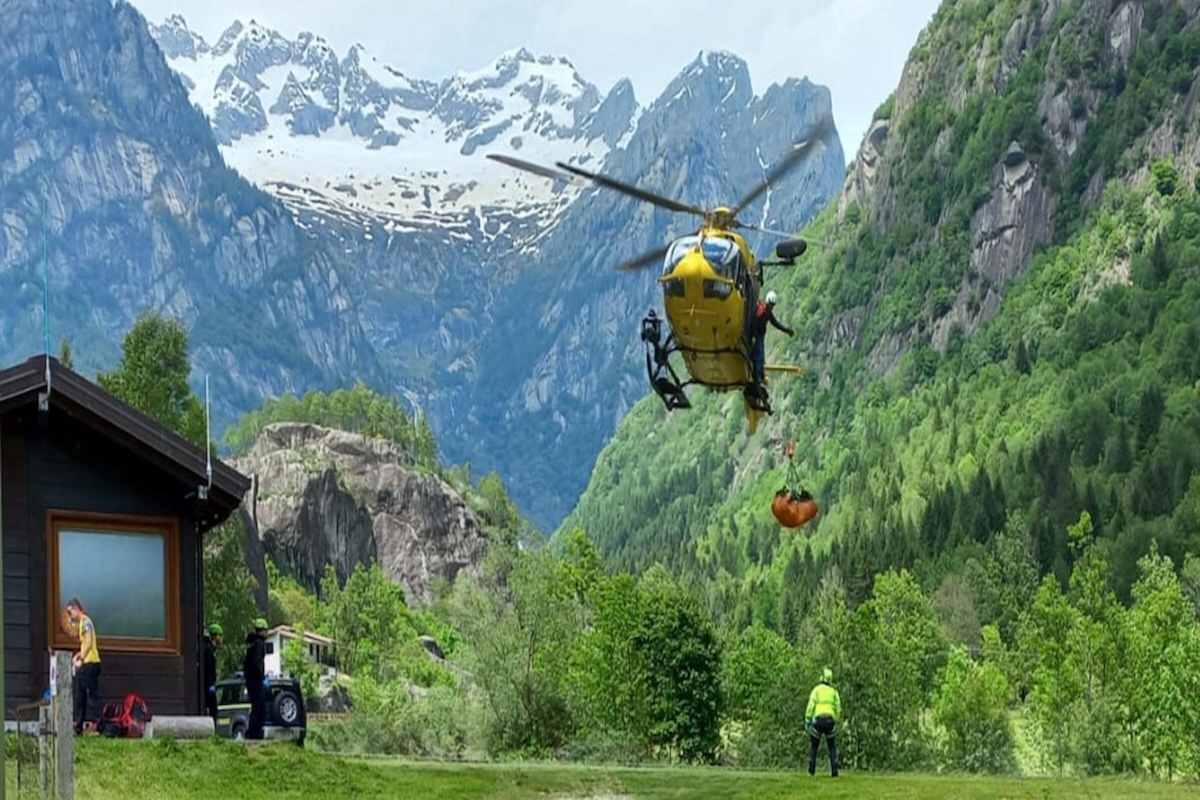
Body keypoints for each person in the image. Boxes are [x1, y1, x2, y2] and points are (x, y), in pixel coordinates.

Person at [65, 598, 102, 735]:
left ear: (76, 609)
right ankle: (78, 725)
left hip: (91, 663)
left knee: (92, 696)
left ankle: (99, 724)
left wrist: (81, 657)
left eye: (71, 613)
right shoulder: (82, 623)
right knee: (80, 695)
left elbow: (89, 642)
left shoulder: (85, 622)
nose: (71, 617)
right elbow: (84, 644)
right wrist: (78, 655)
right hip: (86, 663)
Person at [748, 290, 794, 387]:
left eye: (773, 305)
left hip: (759, 336)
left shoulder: (767, 312)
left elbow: (775, 323)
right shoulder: (762, 310)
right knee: (758, 356)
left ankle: (759, 376)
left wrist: (787, 330)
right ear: (768, 302)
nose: (772, 307)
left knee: (760, 357)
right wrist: (753, 336)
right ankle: (758, 377)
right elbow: (753, 322)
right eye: (771, 304)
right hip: (757, 336)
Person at [806, 666, 841, 777]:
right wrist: (836, 719)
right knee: (832, 747)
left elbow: (811, 705)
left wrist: (807, 719)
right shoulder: (834, 692)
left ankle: (811, 771)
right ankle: (834, 771)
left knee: (814, 746)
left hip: (818, 720)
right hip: (830, 720)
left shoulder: (816, 690)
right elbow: (838, 707)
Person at [242, 617, 269, 740]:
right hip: (256, 681)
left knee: (257, 707)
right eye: (266, 630)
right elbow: (258, 662)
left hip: (250, 679)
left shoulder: (251, 644)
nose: (267, 633)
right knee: (259, 708)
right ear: (261, 631)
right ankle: (253, 734)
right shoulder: (259, 644)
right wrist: (262, 677)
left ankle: (254, 733)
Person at [204, 623, 223, 722]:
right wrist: (211, 683)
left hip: (210, 684)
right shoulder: (209, 650)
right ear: (215, 637)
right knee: (213, 709)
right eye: (220, 636)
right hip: (208, 685)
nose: (222, 638)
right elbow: (208, 668)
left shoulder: (211, 650)